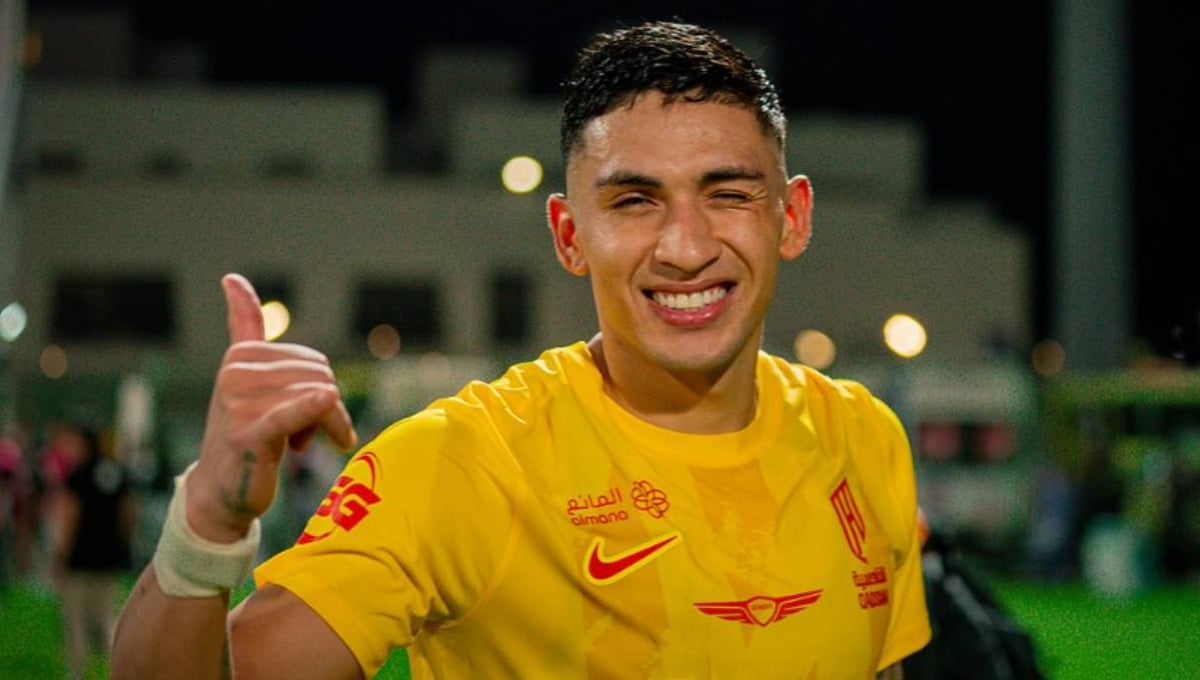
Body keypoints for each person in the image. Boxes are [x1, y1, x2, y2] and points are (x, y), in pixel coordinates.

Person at [112, 20, 930, 679]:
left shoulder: (864, 437)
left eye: (728, 194)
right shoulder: (468, 462)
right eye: (635, 201)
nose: (685, 247)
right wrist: (207, 524)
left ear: (792, 217)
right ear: (569, 236)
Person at [53, 422, 136, 678]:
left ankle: (76, 672)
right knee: (107, 616)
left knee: (76, 619)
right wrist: (122, 544)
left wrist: (62, 552)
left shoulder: (78, 474)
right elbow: (128, 514)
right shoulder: (117, 472)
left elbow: (70, 516)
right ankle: (117, 669)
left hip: (80, 557)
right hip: (109, 556)